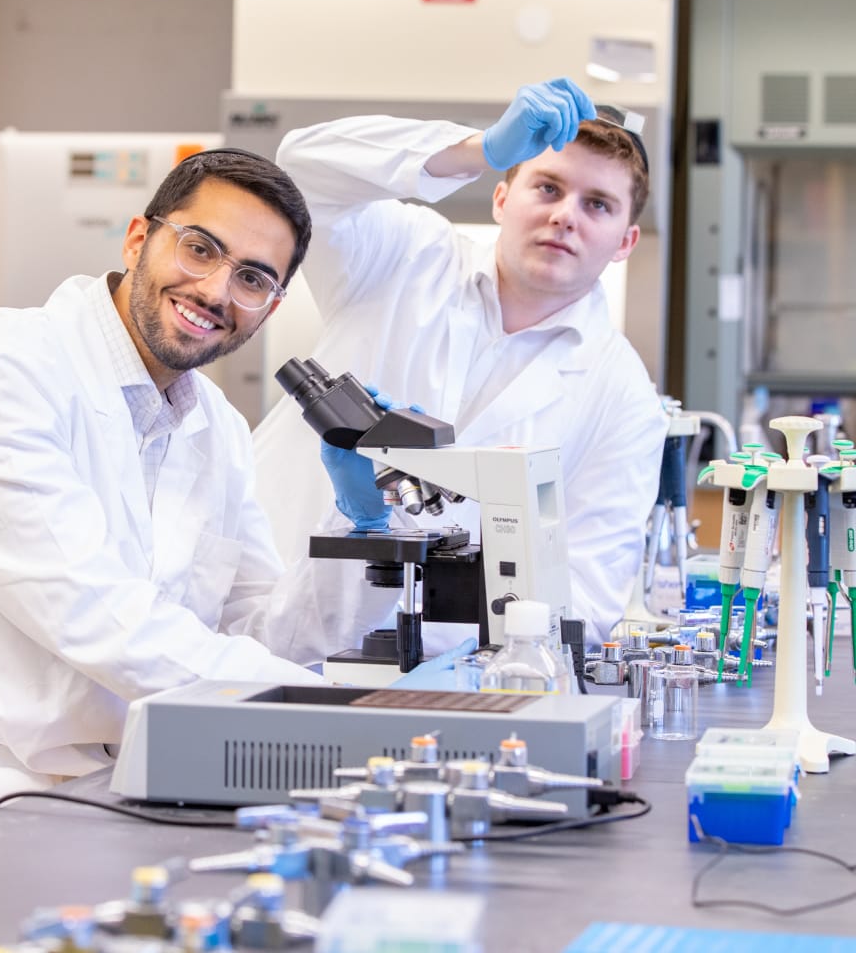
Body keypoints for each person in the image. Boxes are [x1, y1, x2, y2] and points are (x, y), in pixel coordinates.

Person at [0, 148, 465, 835]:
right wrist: (350, 716)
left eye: (252, 278)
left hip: (112, 785)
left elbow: (256, 630)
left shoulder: (215, 424)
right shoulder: (4, 368)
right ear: (138, 238)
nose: (217, 292)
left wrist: (364, 532)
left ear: (272, 306)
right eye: (200, 249)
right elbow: (96, 614)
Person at [252, 78, 667, 648]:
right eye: (547, 187)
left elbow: (588, 597)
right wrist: (482, 149)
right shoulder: (406, 255)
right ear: (501, 198)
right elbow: (299, 170)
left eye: (598, 204)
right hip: (255, 606)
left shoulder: (623, 398)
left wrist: (447, 656)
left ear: (626, 240)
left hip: (442, 678)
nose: (566, 216)